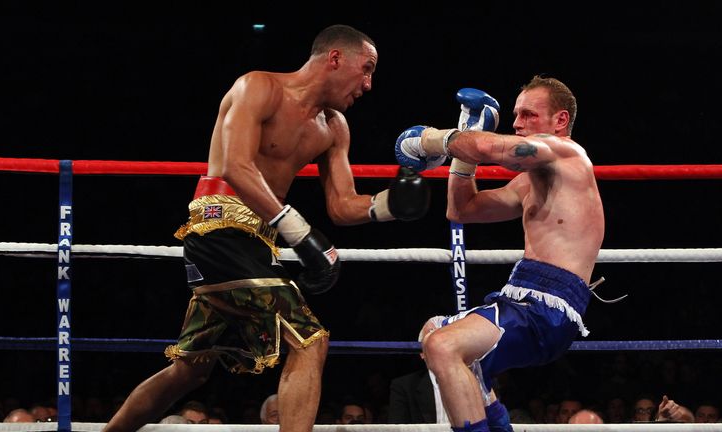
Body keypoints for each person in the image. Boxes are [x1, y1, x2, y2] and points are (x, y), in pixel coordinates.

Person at [104, 24, 427, 432]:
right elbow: (235, 166)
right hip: (217, 225)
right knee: (310, 341)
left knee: (189, 372)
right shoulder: (259, 87)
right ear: (334, 58)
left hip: (259, 241)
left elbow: (343, 206)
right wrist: (299, 232)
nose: (367, 84)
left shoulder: (334, 128)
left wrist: (392, 205)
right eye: (366, 69)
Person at [395, 76, 605, 432]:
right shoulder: (531, 181)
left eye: (528, 114)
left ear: (560, 121)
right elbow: (462, 209)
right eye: (515, 115)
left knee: (445, 347)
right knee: (433, 332)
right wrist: (465, 143)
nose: (518, 123)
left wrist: (432, 138)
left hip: (548, 307)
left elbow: (497, 150)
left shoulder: (567, 153)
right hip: (520, 299)